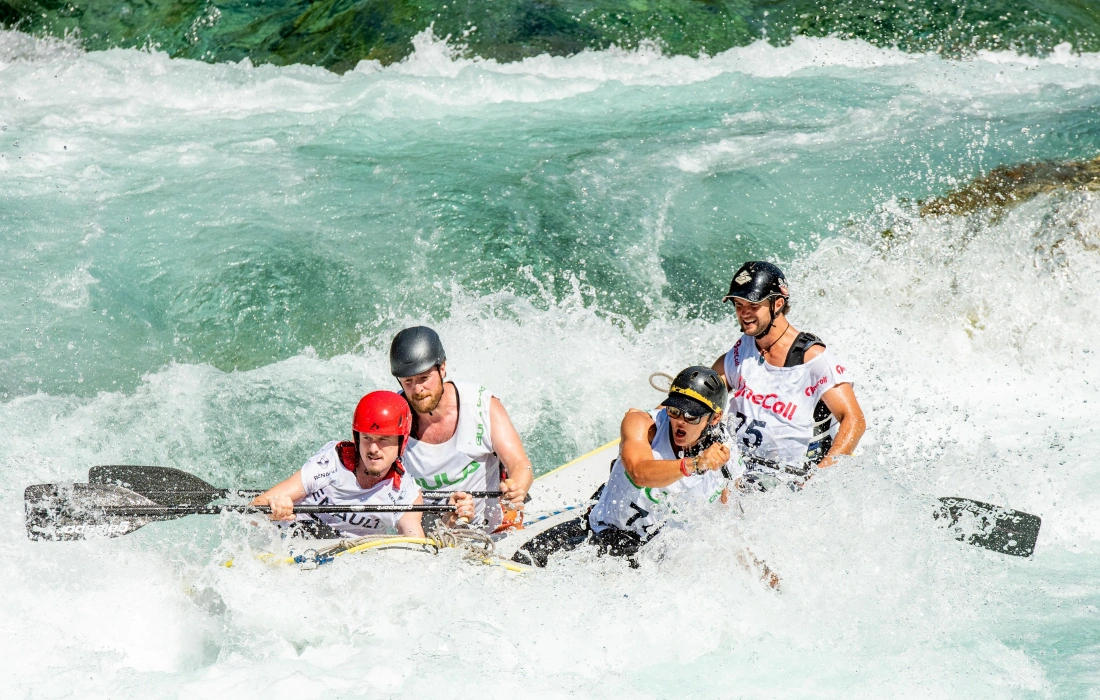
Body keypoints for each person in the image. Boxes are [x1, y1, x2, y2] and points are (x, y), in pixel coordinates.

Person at [514, 366, 740, 568]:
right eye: (674, 411)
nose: (680, 421)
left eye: (691, 416)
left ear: (714, 418)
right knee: (521, 560)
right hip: (602, 531)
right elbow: (639, 472)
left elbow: (729, 521)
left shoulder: (726, 456)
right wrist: (696, 464)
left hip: (653, 558)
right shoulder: (642, 423)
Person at [712, 261, 866, 490]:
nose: (743, 313)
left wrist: (818, 482)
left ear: (778, 304)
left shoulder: (813, 359)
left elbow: (854, 421)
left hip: (791, 483)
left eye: (753, 305)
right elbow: (704, 393)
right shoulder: (742, 349)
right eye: (738, 304)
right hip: (742, 471)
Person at [252, 390, 474, 537]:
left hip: (346, 559)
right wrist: (274, 510)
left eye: (384, 440)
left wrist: (449, 523)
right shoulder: (331, 462)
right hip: (298, 537)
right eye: (367, 438)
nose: (374, 449)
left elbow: (417, 552)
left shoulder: (405, 494)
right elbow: (255, 508)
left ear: (401, 443)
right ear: (357, 439)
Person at [389, 326, 534, 533]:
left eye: (423, 378)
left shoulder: (482, 406)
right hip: (423, 530)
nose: (418, 390)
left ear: (442, 368)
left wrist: (517, 488)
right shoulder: (392, 416)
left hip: (488, 528)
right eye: (408, 382)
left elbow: (521, 465)